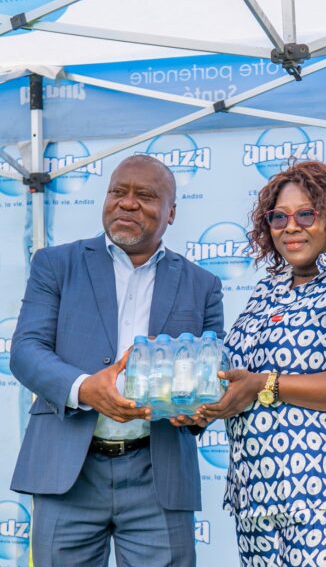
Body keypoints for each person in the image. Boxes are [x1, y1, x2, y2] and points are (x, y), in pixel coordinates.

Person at [10, 154, 224, 566]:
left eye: (145, 195)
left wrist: (199, 408)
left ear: (171, 212)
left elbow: (212, 374)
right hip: (68, 471)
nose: (127, 202)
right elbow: (26, 350)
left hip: (158, 473)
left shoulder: (203, 285)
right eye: (117, 192)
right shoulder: (56, 264)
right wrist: (84, 388)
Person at [199, 161, 326, 567]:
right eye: (279, 217)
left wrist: (266, 384)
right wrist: (200, 405)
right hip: (258, 499)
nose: (290, 227)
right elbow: (239, 378)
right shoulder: (267, 291)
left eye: (306, 214)